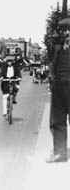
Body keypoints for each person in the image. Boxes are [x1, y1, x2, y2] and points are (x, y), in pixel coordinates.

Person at [47, 30, 70, 163]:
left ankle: (60, 153)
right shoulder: (58, 49)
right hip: (59, 87)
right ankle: (60, 153)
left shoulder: (59, 49)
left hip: (64, 85)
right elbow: (52, 66)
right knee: (58, 120)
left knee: (58, 121)